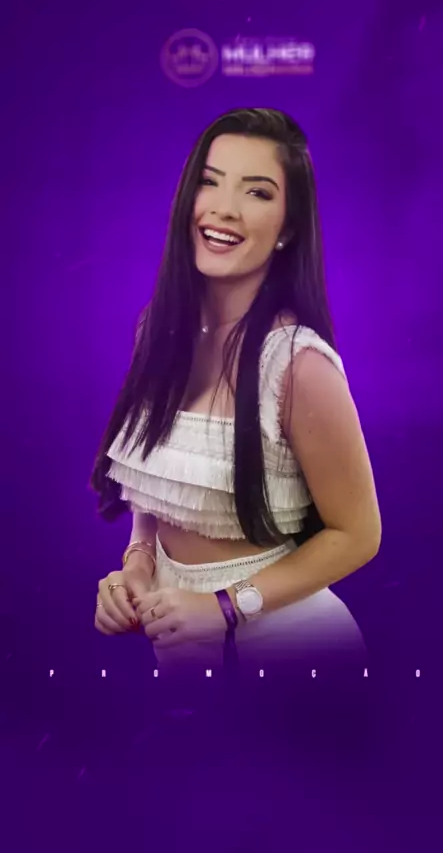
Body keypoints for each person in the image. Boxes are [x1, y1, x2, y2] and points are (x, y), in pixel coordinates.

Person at [90, 107, 382, 678]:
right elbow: (163, 485)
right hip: (177, 635)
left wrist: (224, 607)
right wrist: (138, 565)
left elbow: (359, 534)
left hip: (291, 645)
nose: (224, 208)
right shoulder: (158, 330)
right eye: (210, 181)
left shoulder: (297, 364)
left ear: (288, 229)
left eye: (256, 192)